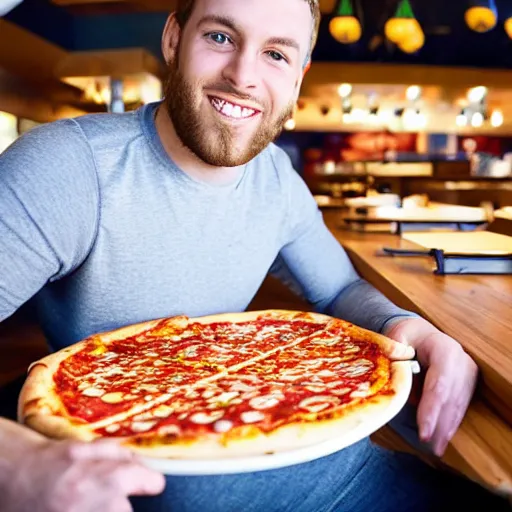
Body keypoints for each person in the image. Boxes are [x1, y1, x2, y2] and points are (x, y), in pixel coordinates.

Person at [0, 0, 509, 510]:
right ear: (174, 38)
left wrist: (403, 326)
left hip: (348, 470)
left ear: (298, 78)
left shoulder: (278, 180)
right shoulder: (68, 166)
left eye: (276, 54)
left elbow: (338, 289)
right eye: (220, 37)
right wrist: (19, 464)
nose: (243, 76)